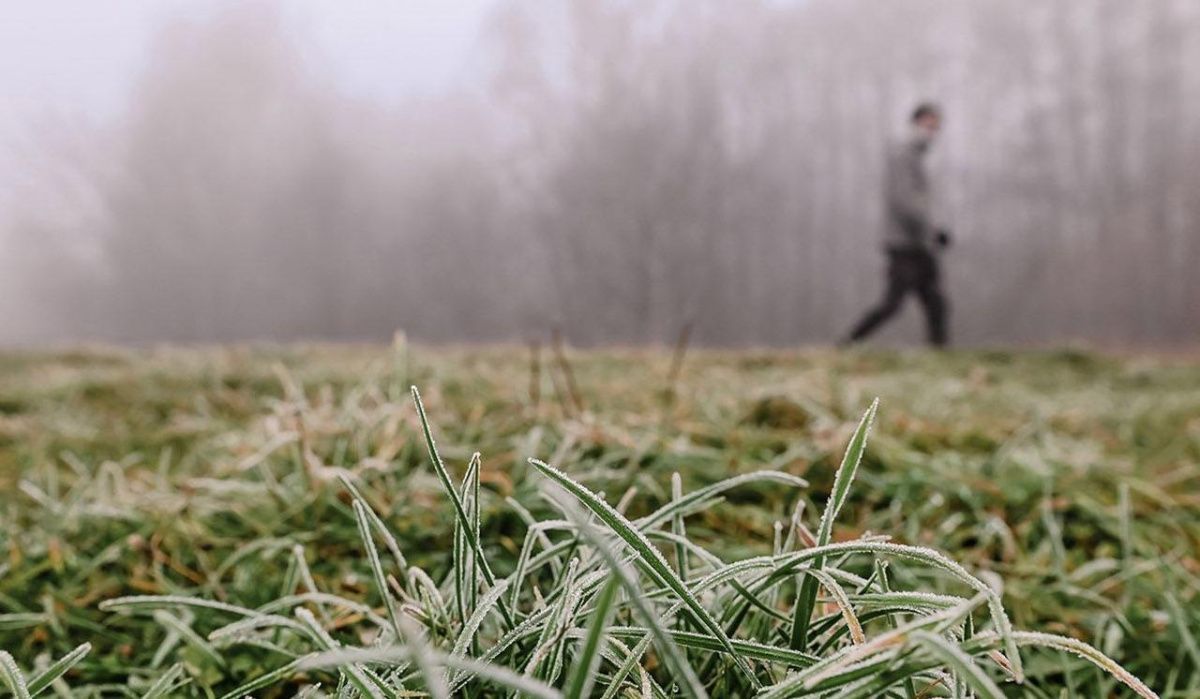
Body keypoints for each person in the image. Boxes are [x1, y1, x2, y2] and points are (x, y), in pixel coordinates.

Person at [843, 103, 952, 347]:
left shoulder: (916, 155)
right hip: (904, 243)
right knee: (892, 304)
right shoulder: (904, 154)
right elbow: (905, 201)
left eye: (936, 127)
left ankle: (940, 353)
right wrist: (931, 230)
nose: (933, 132)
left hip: (918, 243)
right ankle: (848, 344)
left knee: (936, 303)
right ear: (916, 123)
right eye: (929, 125)